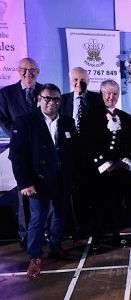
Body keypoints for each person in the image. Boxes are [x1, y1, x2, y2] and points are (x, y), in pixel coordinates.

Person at [9, 83, 77, 278]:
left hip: (62, 180)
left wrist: (73, 177)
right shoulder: (25, 121)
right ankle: (35, 257)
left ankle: (55, 247)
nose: (51, 103)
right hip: (37, 181)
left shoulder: (67, 122)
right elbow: (17, 156)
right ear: (39, 100)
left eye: (56, 99)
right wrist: (24, 183)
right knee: (38, 219)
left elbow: (74, 152)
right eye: (47, 98)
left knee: (60, 215)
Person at [81, 80, 131, 251]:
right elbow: (87, 143)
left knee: (117, 204)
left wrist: (124, 160)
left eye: (115, 94)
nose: (111, 97)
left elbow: (130, 143)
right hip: (99, 171)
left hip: (119, 170)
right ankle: (96, 240)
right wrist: (104, 163)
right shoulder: (90, 116)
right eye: (108, 94)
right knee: (98, 206)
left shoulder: (126, 117)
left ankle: (116, 236)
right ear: (102, 95)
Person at [0, 57, 43, 249]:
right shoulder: (6, 93)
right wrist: (19, 135)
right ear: (18, 71)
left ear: (38, 72)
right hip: (20, 152)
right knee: (23, 193)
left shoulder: (45, 91)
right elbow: (3, 119)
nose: (28, 74)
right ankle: (25, 236)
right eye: (24, 70)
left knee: (43, 193)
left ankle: (43, 233)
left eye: (32, 70)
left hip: (42, 151)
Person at [61, 67, 103, 238]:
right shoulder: (62, 100)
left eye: (83, 80)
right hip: (70, 156)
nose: (79, 83)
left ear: (88, 80)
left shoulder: (98, 99)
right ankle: (77, 228)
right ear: (71, 80)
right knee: (74, 195)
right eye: (75, 80)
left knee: (94, 193)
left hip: (92, 156)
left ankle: (94, 227)